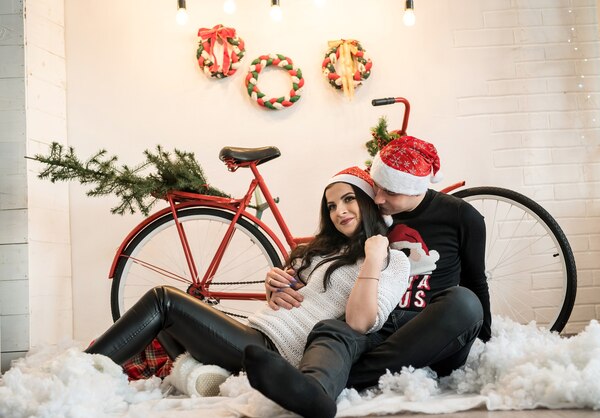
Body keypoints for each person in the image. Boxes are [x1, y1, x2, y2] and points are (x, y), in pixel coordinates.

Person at [84, 166, 410, 413]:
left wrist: (374, 255)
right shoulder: (324, 251)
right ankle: (207, 377)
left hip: (273, 350)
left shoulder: (391, 260)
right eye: (331, 205)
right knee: (167, 317)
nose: (339, 211)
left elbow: (359, 321)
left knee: (163, 301)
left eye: (349, 199)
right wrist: (274, 286)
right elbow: (292, 295)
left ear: (368, 202)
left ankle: (82, 369)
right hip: (256, 331)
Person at [262, 136, 491, 410]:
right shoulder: (370, 211)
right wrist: (281, 285)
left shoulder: (462, 216)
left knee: (463, 302)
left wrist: (487, 343)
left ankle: (340, 376)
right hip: (374, 327)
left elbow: (476, 281)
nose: (379, 198)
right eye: (377, 187)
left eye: (390, 193)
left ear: (415, 189)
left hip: (430, 330)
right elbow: (328, 264)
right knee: (333, 328)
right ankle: (317, 387)